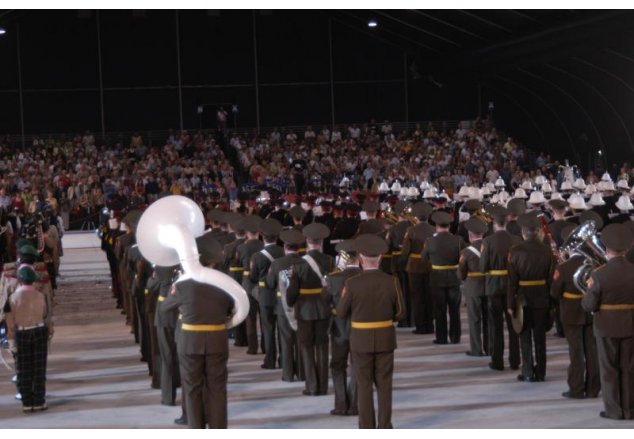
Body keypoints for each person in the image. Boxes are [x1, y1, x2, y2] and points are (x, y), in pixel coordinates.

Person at [161, 235, 232, 429]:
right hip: (217, 340)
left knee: (192, 389)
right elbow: (231, 309)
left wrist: (175, 295)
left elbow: (164, 308)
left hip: (190, 342)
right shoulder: (225, 283)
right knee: (217, 389)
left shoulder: (182, 286)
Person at [337, 234, 404, 429]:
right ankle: (384, 426)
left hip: (360, 340)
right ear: (380, 258)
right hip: (385, 338)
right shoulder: (392, 281)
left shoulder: (352, 284)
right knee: (385, 385)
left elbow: (341, 313)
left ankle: (366, 427)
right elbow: (401, 312)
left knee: (364, 386)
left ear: (360, 260)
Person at [582, 223, 634, 420]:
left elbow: (589, 306)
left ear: (606, 248)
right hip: (631, 324)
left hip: (606, 326)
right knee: (629, 368)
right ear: (627, 248)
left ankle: (614, 410)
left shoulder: (599, 274)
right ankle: (630, 410)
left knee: (609, 369)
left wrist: (587, 292)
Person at [551, 224, 600, 399]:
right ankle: (594, 388)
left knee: (576, 352)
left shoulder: (563, 268)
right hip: (590, 311)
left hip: (571, 312)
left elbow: (555, 292)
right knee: (592, 350)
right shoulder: (595, 265)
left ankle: (576, 388)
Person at [287, 223, 334, 396]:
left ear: (307, 241)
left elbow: (292, 291)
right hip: (323, 308)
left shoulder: (298, 263)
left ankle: (312, 386)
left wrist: (290, 303)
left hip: (304, 310)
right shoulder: (329, 260)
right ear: (321, 242)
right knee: (322, 346)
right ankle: (323, 386)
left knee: (306, 348)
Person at [507, 213, 555, 382]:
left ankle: (527, 370)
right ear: (538, 232)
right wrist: (552, 301)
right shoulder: (547, 251)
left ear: (523, 233)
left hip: (522, 298)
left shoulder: (515, 251)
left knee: (524, 335)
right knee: (540, 337)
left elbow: (512, 282)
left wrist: (510, 303)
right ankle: (541, 372)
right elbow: (551, 279)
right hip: (542, 296)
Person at [4, 266, 53, 412]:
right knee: (39, 368)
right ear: (33, 280)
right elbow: (46, 314)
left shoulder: (12, 299)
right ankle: (39, 401)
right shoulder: (40, 296)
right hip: (39, 331)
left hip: (22, 333)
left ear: (19, 280)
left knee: (24, 369)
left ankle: (27, 402)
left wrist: (11, 341)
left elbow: (9, 321)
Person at [480, 205, 521, 371]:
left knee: (495, 326)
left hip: (494, 286)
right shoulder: (517, 240)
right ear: (507, 222)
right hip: (512, 285)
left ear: (494, 223)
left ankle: (497, 361)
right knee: (514, 325)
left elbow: (483, 267)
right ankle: (515, 360)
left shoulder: (488, 241)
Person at [326, 239, 360, 416]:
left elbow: (326, 305)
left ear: (342, 258)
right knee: (357, 366)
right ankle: (354, 404)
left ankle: (340, 404)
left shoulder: (332, 278)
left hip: (338, 328)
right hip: (360, 327)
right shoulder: (364, 276)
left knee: (337, 365)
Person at [266, 229, 305, 382]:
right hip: (301, 305)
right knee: (301, 340)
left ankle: (288, 374)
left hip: (283, 306)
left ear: (285, 247)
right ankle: (302, 373)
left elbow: (269, 284)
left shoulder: (277, 263)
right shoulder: (304, 262)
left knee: (286, 340)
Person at [422, 211, 466, 344]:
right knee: (454, 310)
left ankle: (441, 338)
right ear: (449, 226)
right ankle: (455, 337)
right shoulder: (458, 240)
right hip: (454, 278)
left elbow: (423, 258)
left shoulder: (430, 241)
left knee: (439, 310)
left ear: (436, 226)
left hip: (437, 279)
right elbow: (464, 259)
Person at [248, 218, 284, 369]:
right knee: (282, 329)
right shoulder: (283, 252)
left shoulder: (257, 256)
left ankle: (270, 360)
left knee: (268, 328)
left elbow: (253, 277)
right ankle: (284, 359)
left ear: (262, 236)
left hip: (266, 295)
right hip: (282, 293)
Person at [400, 202, 435, 334]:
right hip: (431, 265)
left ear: (416, 217)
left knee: (417, 297)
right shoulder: (433, 230)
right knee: (430, 296)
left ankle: (420, 326)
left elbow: (405, 252)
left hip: (414, 266)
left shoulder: (411, 231)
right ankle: (430, 325)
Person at [459, 217, 489, 357]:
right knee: (488, 319)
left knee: (475, 319)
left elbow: (461, 274)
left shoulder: (466, 252)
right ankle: (490, 347)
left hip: (473, 288)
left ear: (470, 235)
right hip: (488, 286)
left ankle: (476, 349)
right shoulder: (489, 247)